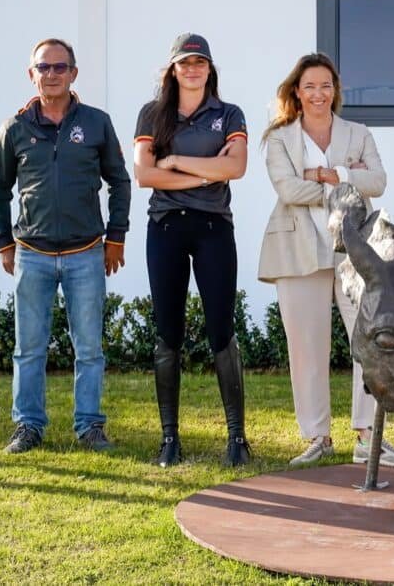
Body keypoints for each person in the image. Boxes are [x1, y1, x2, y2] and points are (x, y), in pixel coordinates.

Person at [258, 53, 394, 468]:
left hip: (355, 250)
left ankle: (369, 436)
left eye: (325, 85)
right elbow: (288, 189)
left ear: (336, 90)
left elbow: (377, 182)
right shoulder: (279, 138)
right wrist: (348, 178)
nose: (318, 94)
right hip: (297, 250)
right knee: (306, 348)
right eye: (309, 86)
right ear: (297, 91)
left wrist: (333, 175)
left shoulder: (357, 132)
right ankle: (317, 436)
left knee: (369, 342)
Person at [0, 38, 131, 454]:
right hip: (31, 254)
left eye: (59, 67)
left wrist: (116, 236)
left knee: (89, 349)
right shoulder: (14, 128)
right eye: (43, 68)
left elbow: (119, 181)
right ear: (31, 74)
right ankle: (28, 425)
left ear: (74, 73)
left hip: (85, 253)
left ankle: (89, 426)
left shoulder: (97, 123)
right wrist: (2, 242)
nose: (51, 74)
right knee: (28, 349)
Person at [132, 33, 251, 467]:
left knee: (221, 328)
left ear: (209, 68)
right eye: (185, 63)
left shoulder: (228, 113)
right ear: (173, 70)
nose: (193, 69)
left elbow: (235, 166)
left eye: (199, 62)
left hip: (213, 227)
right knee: (168, 331)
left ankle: (236, 438)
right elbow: (144, 175)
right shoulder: (152, 114)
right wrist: (205, 175)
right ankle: (169, 439)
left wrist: (178, 163)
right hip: (166, 227)